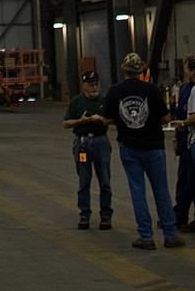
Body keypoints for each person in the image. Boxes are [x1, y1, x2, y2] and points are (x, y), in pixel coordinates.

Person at [102, 52, 184, 250]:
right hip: (154, 147)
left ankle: (146, 237)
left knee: (137, 191)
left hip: (129, 147)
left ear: (124, 70)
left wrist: (123, 121)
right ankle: (170, 235)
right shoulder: (152, 90)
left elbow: (106, 119)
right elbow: (166, 118)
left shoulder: (114, 91)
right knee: (161, 190)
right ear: (141, 71)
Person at [63, 69, 113, 229]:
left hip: (101, 142)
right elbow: (66, 123)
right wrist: (81, 121)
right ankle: (84, 215)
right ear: (84, 85)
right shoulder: (77, 102)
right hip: (83, 143)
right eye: (91, 85)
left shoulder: (104, 101)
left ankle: (106, 216)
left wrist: (103, 119)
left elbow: (114, 119)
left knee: (105, 181)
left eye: (96, 84)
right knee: (84, 181)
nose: (94, 87)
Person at [172, 57, 195, 231]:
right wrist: (176, 138)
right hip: (185, 140)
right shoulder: (185, 88)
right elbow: (180, 113)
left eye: (187, 69)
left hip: (191, 139)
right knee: (184, 180)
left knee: (192, 181)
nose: (185, 72)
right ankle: (180, 215)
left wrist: (184, 123)